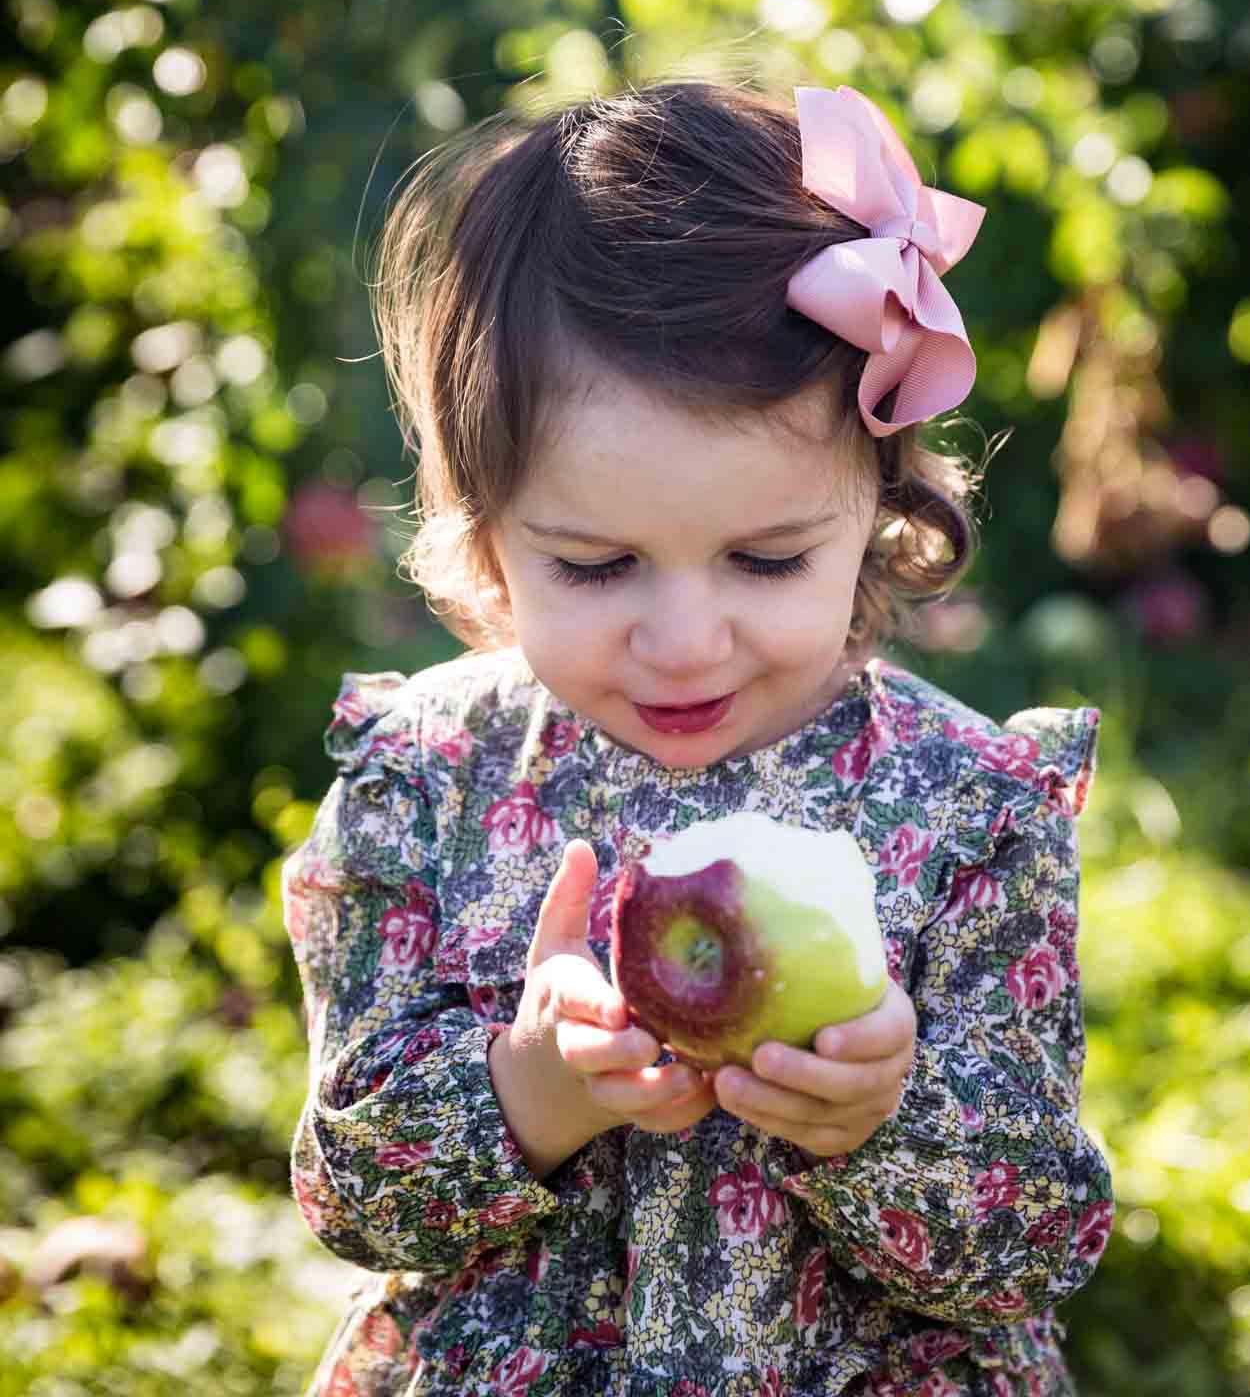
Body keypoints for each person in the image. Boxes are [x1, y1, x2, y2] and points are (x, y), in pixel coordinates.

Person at [281, 78, 1115, 1397]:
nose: (683, 641)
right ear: (483, 531)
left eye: (766, 560)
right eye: (598, 566)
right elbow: (352, 1199)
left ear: (877, 511)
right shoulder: (426, 785)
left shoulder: (967, 810)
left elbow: (1035, 1243)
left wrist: (876, 1119)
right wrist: (534, 1089)